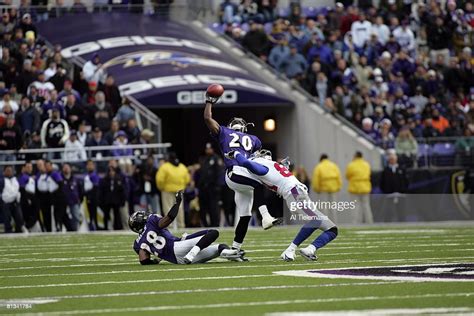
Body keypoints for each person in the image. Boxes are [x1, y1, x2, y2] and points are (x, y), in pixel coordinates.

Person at [225, 149, 337, 262]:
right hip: (295, 193)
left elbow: (247, 164)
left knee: (332, 230)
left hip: (297, 192)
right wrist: (236, 154)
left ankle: (310, 249)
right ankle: (290, 250)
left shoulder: (264, 167)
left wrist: (236, 154)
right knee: (315, 220)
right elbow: (250, 164)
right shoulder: (268, 166)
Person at [204, 90, 279, 255]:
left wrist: (209, 101)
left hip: (237, 177)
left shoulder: (225, 132)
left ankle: (235, 250)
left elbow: (208, 118)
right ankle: (265, 216)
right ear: (244, 128)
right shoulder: (254, 139)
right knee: (259, 181)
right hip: (237, 173)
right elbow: (260, 159)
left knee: (244, 216)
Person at [129, 192, 243, 264]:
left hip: (177, 260)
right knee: (213, 233)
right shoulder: (151, 221)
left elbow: (143, 260)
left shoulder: (138, 243)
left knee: (219, 247)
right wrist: (178, 202)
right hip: (178, 246)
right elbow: (169, 218)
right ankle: (192, 253)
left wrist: (155, 261)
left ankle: (231, 254)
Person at [156, 152, 190, 229]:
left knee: (167, 208)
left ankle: (169, 225)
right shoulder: (182, 167)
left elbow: (159, 179)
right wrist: (183, 186)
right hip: (179, 190)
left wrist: (161, 188)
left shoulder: (165, 167)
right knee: (180, 208)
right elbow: (187, 179)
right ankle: (181, 225)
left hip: (167, 190)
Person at [197, 143, 223, 227]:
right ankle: (205, 224)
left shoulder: (216, 158)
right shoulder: (203, 159)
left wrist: (217, 185)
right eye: (207, 149)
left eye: (209, 149)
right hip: (203, 188)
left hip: (213, 187)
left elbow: (219, 173)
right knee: (203, 208)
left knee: (214, 207)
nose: (208, 150)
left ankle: (215, 224)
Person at [311, 154, 342, 222]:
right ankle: (334, 222)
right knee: (333, 206)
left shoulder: (319, 166)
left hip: (323, 189)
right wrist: (338, 187)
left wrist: (316, 189)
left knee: (324, 206)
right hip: (333, 188)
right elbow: (339, 177)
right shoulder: (334, 165)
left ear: (320, 159)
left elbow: (316, 179)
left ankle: (325, 222)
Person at [380, 150, 409, 222]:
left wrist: (403, 190)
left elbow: (406, 181)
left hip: (400, 194)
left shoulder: (401, 169)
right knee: (389, 212)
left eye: (393, 159)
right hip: (389, 195)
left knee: (401, 212)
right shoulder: (386, 170)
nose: (392, 160)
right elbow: (382, 182)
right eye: (391, 159)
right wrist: (386, 191)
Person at [345, 151, 373, 223]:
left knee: (355, 206)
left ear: (355, 156)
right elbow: (369, 174)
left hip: (354, 187)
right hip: (365, 187)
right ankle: (369, 221)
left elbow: (347, 176)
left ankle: (355, 222)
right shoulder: (366, 164)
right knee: (366, 206)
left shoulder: (351, 165)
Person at [1, 165, 26, 233]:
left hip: (15, 202)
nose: (9, 172)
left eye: (10, 171)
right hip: (6, 202)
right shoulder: (2, 180)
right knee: (7, 218)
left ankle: (19, 229)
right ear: (4, 172)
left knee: (19, 217)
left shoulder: (16, 179)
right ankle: (8, 230)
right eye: (7, 171)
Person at [61, 163, 82, 231]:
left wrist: (79, 199)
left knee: (76, 217)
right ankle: (69, 229)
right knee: (63, 217)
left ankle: (75, 230)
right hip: (63, 202)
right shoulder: (60, 179)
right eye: (64, 167)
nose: (66, 169)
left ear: (70, 169)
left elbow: (80, 190)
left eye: (67, 167)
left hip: (74, 201)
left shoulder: (75, 179)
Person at [18, 162, 38, 230]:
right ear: (24, 168)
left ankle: (27, 227)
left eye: (31, 167)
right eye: (28, 167)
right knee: (28, 214)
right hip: (27, 197)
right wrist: (27, 199)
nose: (30, 169)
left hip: (32, 196)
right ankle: (26, 227)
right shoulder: (24, 177)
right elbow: (22, 188)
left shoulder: (30, 177)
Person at [84, 160, 101, 231]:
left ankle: (96, 228)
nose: (89, 166)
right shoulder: (87, 175)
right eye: (88, 165)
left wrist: (91, 197)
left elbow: (96, 187)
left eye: (91, 164)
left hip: (94, 198)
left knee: (94, 214)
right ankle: (92, 227)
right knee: (90, 214)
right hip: (88, 198)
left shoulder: (94, 175)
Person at [36, 159, 52, 232]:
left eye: (41, 165)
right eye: (38, 165)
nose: (40, 167)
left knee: (50, 215)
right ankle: (45, 229)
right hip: (40, 197)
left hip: (49, 197)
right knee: (43, 215)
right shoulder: (38, 175)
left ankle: (51, 229)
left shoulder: (50, 174)